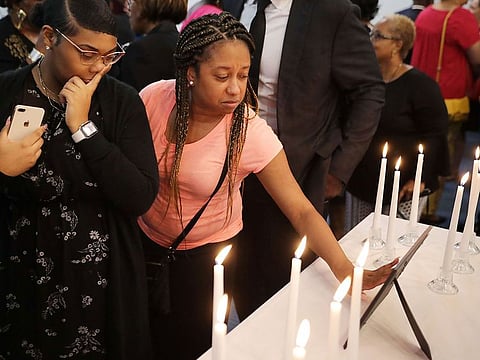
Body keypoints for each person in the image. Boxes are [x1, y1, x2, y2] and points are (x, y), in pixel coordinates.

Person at [138, 12, 395, 360]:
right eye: (222, 76)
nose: (235, 88)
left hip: (204, 260)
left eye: (244, 75)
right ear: (190, 73)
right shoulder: (154, 98)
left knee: (190, 345)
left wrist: (345, 268)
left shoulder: (248, 132)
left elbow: (301, 209)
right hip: (142, 245)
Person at [0, 0, 159, 358]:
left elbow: (141, 196)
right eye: (87, 54)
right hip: (18, 271)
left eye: (109, 56)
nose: (98, 67)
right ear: (49, 38)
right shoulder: (6, 93)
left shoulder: (121, 102)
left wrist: (84, 130)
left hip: (101, 276)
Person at [227, 0, 386, 320]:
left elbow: (369, 91)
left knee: (282, 277)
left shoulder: (330, 12)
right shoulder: (238, 6)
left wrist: (339, 168)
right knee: (235, 271)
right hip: (230, 168)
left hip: (297, 168)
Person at [345, 14, 449, 230]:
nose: (371, 40)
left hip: (403, 185)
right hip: (362, 181)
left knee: (392, 246)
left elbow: (436, 134)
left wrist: (419, 178)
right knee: (354, 240)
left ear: (397, 45)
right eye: (371, 33)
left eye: (378, 36)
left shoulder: (421, 86)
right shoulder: (365, 78)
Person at [411, 0, 480, 225]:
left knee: (423, 151)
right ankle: (426, 210)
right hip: (448, 97)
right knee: (442, 154)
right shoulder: (459, 18)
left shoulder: (428, 13)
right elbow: (478, 57)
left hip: (422, 92)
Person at [114, 0, 187, 91]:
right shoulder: (185, 44)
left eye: (132, 2)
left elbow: (136, 101)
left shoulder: (140, 50)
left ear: (143, 6)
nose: (129, 9)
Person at [0, 0, 44, 72]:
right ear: (16, 4)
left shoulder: (60, 25)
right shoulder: (3, 35)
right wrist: (37, 53)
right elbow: (9, 82)